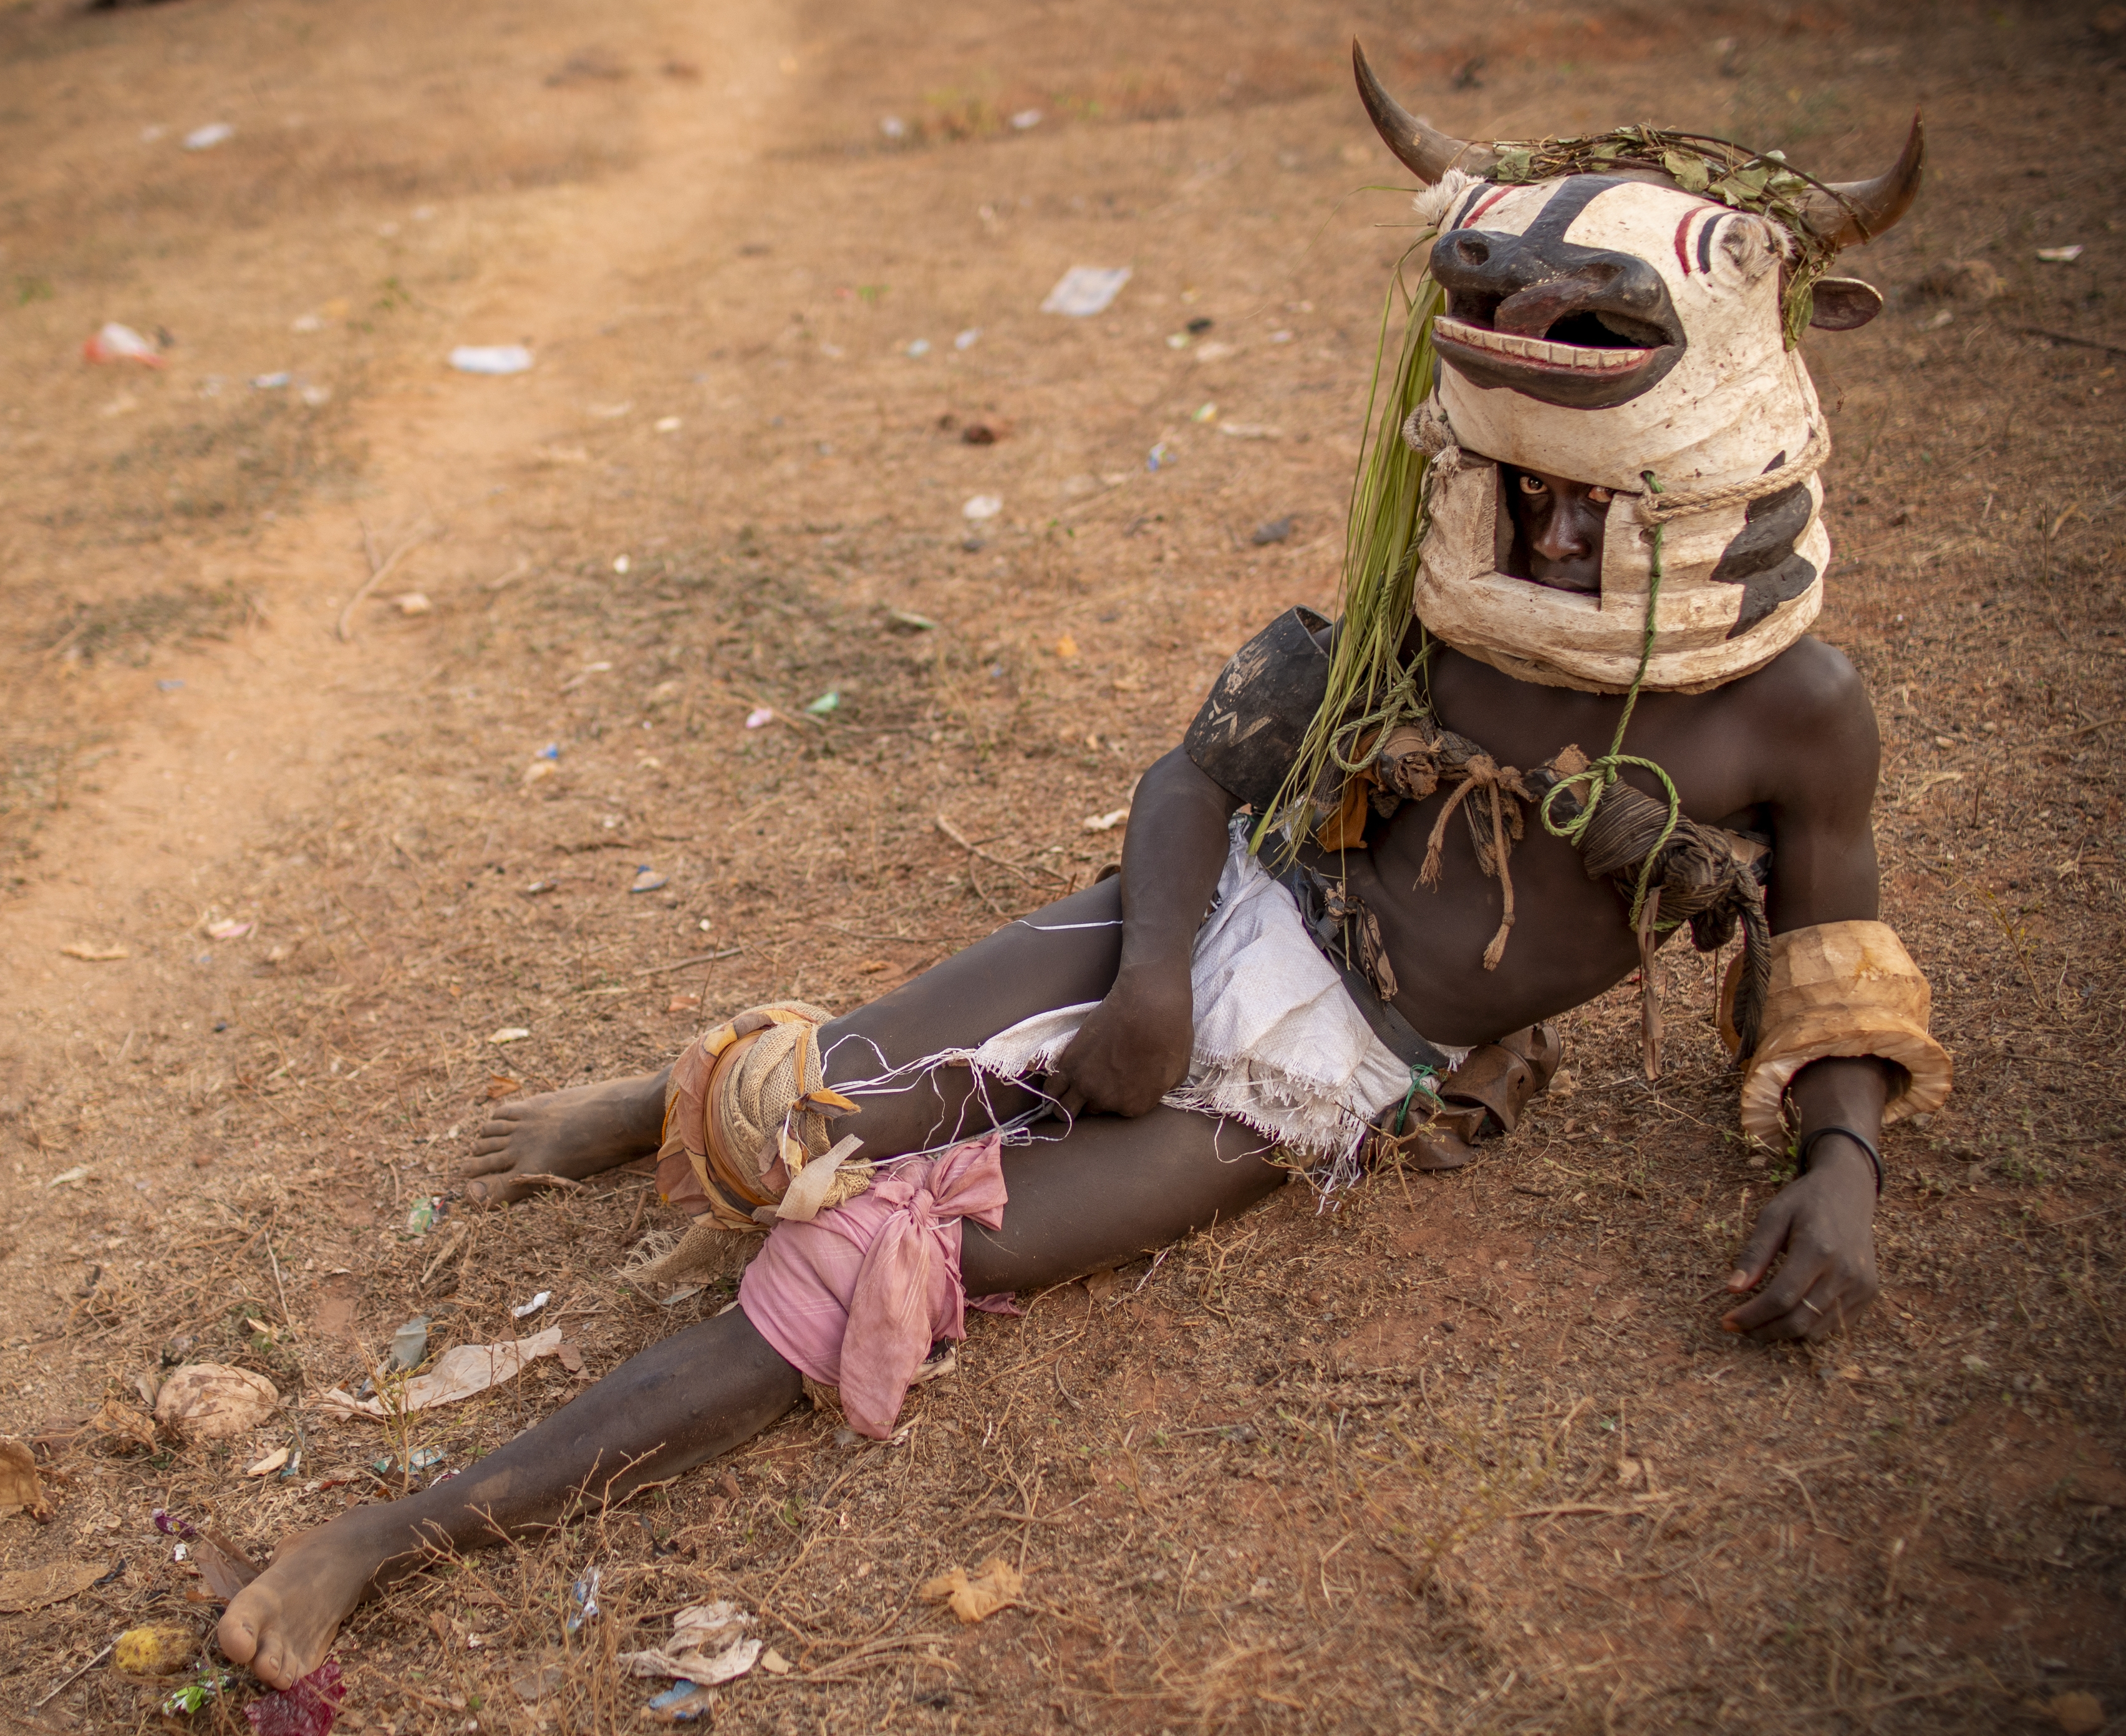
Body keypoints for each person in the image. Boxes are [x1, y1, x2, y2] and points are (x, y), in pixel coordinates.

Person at [215, 51, 1950, 1690]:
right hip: (1206, 913)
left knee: (884, 1268)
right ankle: (658, 1104)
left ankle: (389, 1535)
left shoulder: (1795, 710)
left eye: (1599, 507)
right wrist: (1153, 978)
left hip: (1332, 1069)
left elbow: (1834, 966)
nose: (1557, 535)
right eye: (1531, 493)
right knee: (794, 1120)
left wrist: (1844, 1169)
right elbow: (1199, 777)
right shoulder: (1448, 587)